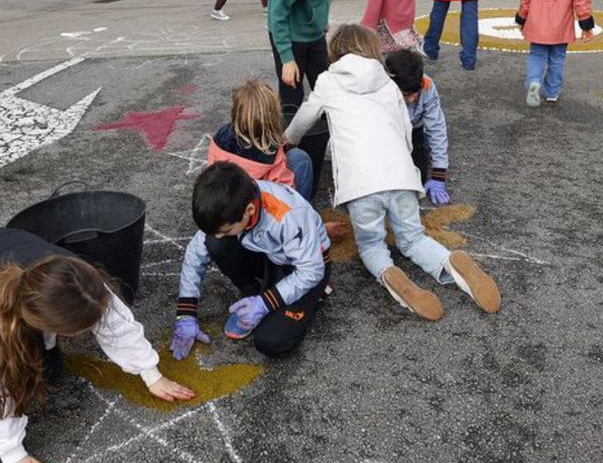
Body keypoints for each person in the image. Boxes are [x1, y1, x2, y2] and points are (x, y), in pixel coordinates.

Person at [0, 227, 195, 463]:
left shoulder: (80, 282)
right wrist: (11, 454)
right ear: (52, 326)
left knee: (48, 367)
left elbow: (116, 322)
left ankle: (34, 345)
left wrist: (151, 373)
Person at [284, 24, 501, 321]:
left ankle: (391, 275)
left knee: (371, 244)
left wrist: (287, 141)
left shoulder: (328, 80)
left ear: (336, 52)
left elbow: (304, 119)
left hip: (361, 183)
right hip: (400, 174)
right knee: (413, 238)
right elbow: (406, 133)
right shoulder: (387, 83)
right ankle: (451, 262)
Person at [170, 162, 331, 359]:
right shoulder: (230, 203)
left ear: (249, 210)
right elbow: (195, 254)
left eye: (226, 230)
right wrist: (186, 313)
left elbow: (311, 271)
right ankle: (253, 295)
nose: (220, 235)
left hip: (305, 268)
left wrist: (265, 303)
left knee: (271, 341)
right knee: (214, 244)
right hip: (269, 255)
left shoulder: (288, 215)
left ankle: (311, 296)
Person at [207, 78, 315, 201]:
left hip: (226, 205)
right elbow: (285, 188)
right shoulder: (270, 150)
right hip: (257, 211)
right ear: (273, 117)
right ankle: (302, 216)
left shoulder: (221, 137)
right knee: (300, 158)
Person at [385, 49, 451, 206]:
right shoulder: (378, 90)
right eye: (406, 94)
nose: (413, 98)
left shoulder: (426, 86)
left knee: (415, 183)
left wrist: (438, 175)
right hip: (385, 133)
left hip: (415, 130)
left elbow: (437, 129)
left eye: (416, 93)